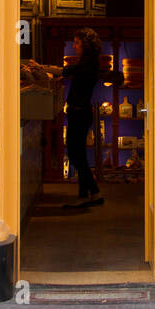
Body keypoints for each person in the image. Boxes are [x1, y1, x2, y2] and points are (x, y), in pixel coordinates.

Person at [60, 28, 104, 207]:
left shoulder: (88, 62)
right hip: (80, 111)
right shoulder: (89, 61)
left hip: (79, 111)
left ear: (85, 44)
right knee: (78, 153)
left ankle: (94, 191)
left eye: (77, 43)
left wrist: (54, 70)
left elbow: (71, 70)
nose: (74, 46)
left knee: (74, 153)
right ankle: (85, 191)